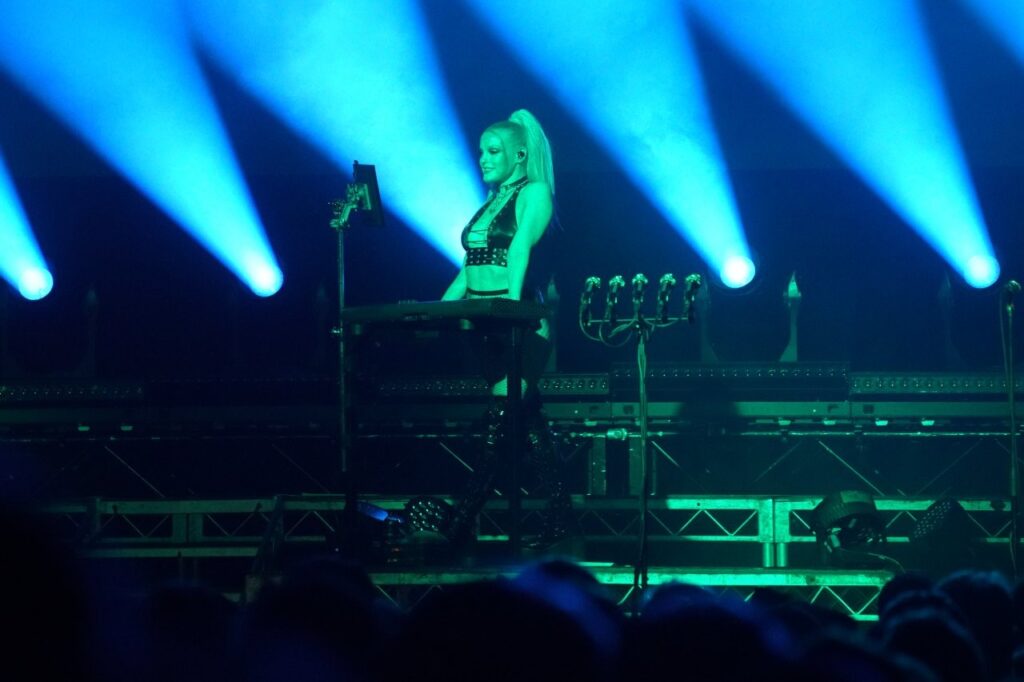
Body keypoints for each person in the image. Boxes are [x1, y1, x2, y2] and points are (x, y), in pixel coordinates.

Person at [427, 109, 572, 552]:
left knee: (498, 427)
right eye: (481, 152)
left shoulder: (535, 192)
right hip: (485, 326)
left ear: (520, 154)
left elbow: (519, 250)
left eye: (493, 151)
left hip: (521, 325)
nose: (484, 159)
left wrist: (509, 305)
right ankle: (562, 520)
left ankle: (460, 523)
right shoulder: (490, 201)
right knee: (526, 422)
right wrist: (435, 311)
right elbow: (468, 267)